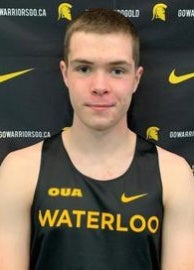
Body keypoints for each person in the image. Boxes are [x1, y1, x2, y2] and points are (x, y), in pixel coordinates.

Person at [0, 8, 194, 270]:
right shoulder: (19, 170)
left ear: (136, 79)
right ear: (65, 73)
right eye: (84, 68)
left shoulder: (174, 175)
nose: (100, 85)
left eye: (117, 71)